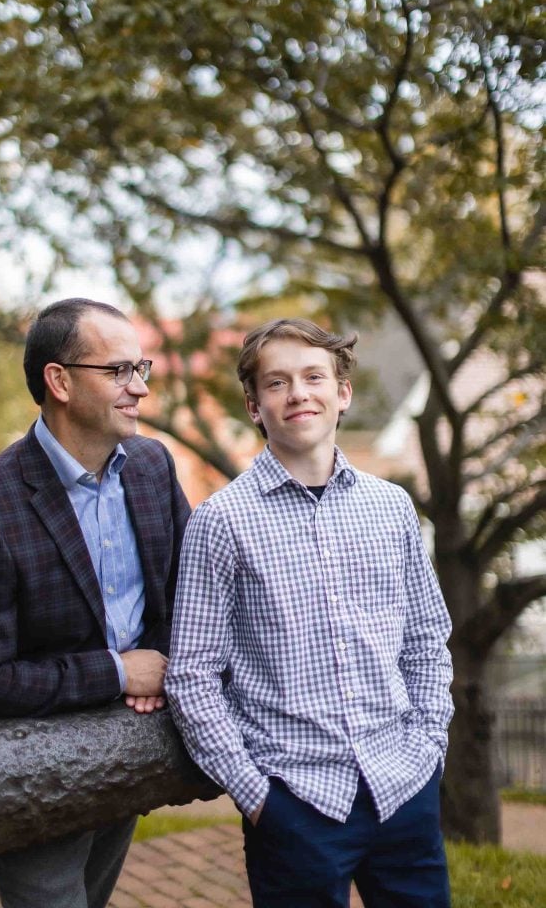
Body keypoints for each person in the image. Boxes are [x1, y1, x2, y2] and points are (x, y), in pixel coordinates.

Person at [165, 318, 453, 908]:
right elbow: (192, 674)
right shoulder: (221, 523)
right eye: (277, 383)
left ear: (341, 393)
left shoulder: (391, 508)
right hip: (296, 805)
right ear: (253, 404)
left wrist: (428, 746)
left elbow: (426, 639)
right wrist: (254, 794)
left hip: (404, 788)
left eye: (313, 377)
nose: (298, 393)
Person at [0, 297, 190, 908]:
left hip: (133, 749)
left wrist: (162, 660)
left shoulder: (153, 467)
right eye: (118, 372)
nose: (138, 390)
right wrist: (119, 670)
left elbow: (188, 595)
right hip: (31, 767)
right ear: (60, 381)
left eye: (142, 369)